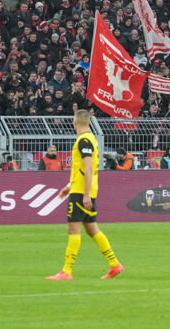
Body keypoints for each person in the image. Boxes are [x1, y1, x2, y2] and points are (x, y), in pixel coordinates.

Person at [46, 110, 123, 280]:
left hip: (82, 192)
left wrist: (85, 194)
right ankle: (115, 264)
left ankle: (66, 271)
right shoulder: (91, 139)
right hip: (83, 189)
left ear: (75, 122)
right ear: (88, 122)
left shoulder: (84, 140)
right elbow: (82, 169)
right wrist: (69, 186)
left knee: (74, 229)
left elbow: (88, 169)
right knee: (91, 228)